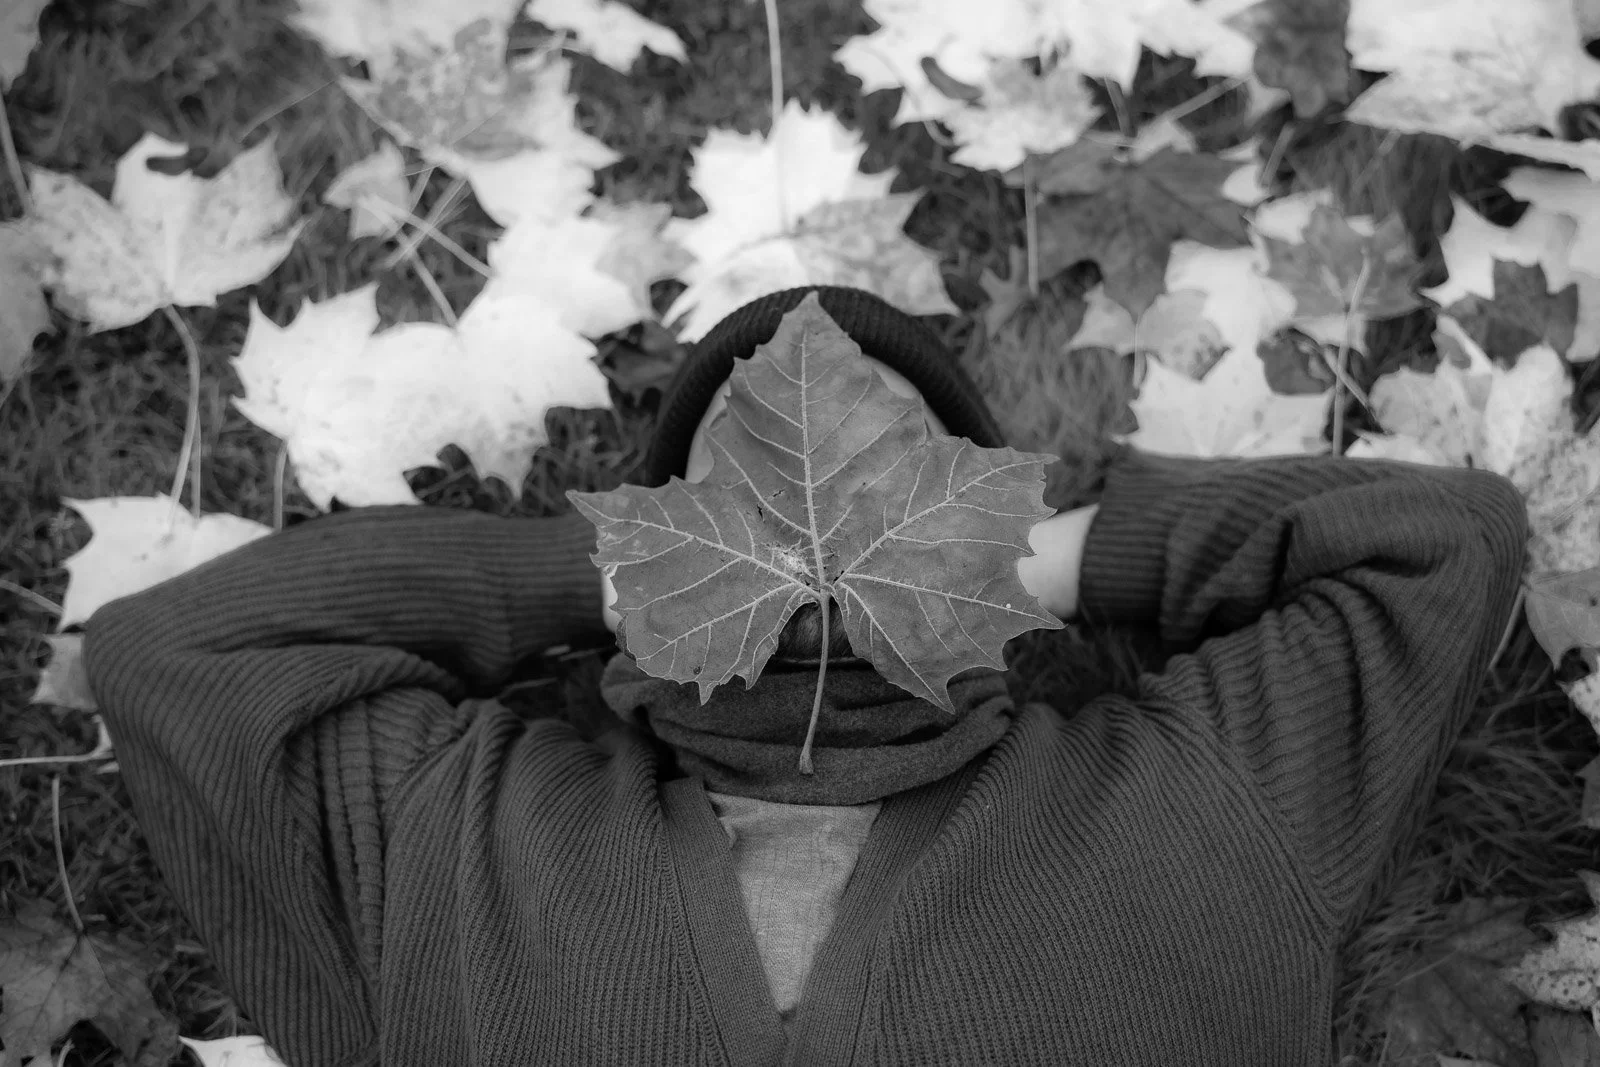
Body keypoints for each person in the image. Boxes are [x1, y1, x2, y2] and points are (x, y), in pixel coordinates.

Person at [82, 285, 1529, 1066]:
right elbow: (175, 657)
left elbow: (1440, 541)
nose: (817, 490)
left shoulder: (1196, 799)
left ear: (986, 538)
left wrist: (1046, 559)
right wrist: (619, 575)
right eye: (749, 477)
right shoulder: (464, 835)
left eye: (886, 461)